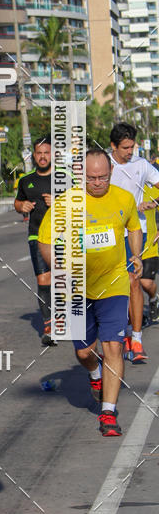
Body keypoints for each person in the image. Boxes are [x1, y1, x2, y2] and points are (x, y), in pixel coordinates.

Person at [38, 148, 142, 437]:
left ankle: (107, 413)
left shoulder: (123, 198)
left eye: (103, 177)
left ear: (111, 173)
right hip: (77, 289)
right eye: (91, 178)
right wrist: (57, 267)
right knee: (84, 351)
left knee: (113, 347)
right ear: (81, 175)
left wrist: (136, 255)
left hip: (114, 285)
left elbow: (133, 227)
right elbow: (46, 242)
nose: (97, 183)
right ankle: (95, 373)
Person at [109, 123, 159, 362]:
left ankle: (136, 339)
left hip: (136, 230)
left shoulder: (141, 165)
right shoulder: (103, 166)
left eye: (132, 146)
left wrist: (154, 203)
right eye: (125, 148)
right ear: (113, 146)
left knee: (133, 280)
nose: (130, 151)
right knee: (116, 286)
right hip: (108, 234)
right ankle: (125, 331)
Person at [14, 136, 54, 346]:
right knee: (43, 280)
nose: (42, 156)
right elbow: (18, 202)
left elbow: (81, 200)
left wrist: (58, 202)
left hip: (63, 237)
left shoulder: (64, 177)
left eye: (46, 152)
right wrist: (22, 207)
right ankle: (48, 327)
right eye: (39, 153)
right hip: (37, 235)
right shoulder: (25, 180)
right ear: (34, 155)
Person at [140, 185, 159, 324]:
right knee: (131, 283)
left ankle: (153, 299)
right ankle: (136, 317)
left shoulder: (153, 187)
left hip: (149, 246)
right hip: (128, 243)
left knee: (145, 282)